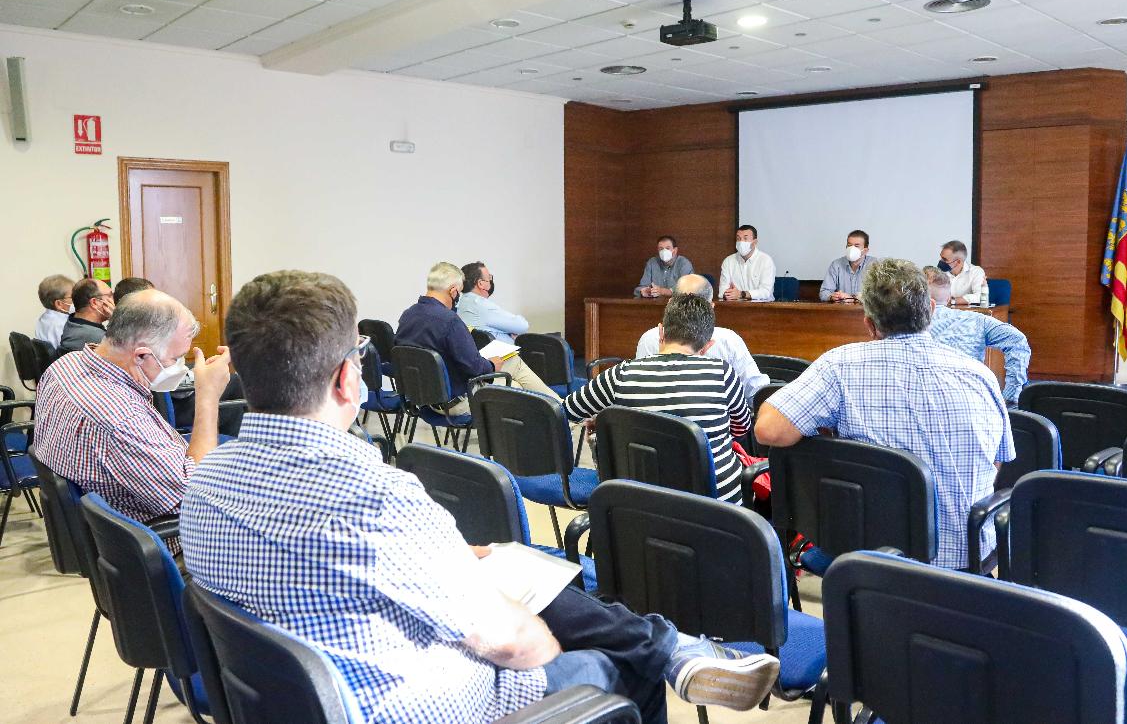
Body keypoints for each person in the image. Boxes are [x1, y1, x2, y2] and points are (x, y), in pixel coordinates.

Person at [181, 269, 780, 723]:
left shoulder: (204, 481)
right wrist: (534, 625)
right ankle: (668, 651)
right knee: (604, 659)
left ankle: (676, 647)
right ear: (347, 377)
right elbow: (514, 647)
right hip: (411, 708)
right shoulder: (381, 497)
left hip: (295, 699)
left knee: (503, 563)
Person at [755, 258, 1013, 571]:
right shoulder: (980, 374)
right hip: (964, 559)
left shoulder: (839, 366)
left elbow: (767, 430)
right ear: (932, 310)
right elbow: (996, 461)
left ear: (868, 323)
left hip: (872, 559)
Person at [33, 289, 233, 525]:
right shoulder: (121, 420)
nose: (181, 368)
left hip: (101, 530)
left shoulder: (64, 366)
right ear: (140, 356)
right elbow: (197, 496)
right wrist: (208, 397)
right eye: (176, 359)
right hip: (153, 543)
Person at [566, 294, 753, 505]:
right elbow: (741, 429)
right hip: (718, 511)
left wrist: (606, 421)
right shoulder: (723, 373)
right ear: (707, 346)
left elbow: (567, 411)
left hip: (639, 506)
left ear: (661, 332)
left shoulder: (620, 374)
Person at [396, 262, 557, 414]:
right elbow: (474, 368)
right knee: (516, 384)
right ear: (453, 291)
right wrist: (492, 365)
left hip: (425, 398)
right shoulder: (450, 320)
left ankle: (560, 409)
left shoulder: (408, 315)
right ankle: (562, 413)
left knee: (512, 366)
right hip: (456, 401)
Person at [636, 274, 770, 399]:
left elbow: (640, 394)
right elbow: (756, 393)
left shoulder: (648, 339)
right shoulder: (728, 340)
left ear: (670, 303)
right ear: (711, 307)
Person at [925, 267, 1031, 405]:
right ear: (948, 297)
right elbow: (1017, 341)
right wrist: (1011, 395)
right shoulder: (977, 320)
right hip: (974, 400)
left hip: (925, 400)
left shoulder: (905, 324)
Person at [456, 262, 530, 341]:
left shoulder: (461, 303)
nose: (491, 281)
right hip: (505, 352)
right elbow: (523, 326)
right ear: (480, 284)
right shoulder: (482, 306)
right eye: (489, 278)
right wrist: (509, 332)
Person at [57, 278, 114, 356]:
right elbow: (129, 354)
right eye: (110, 295)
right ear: (95, 303)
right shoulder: (96, 336)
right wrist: (116, 319)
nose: (113, 300)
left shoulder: (73, 322)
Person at [718, 225, 775, 302]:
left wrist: (741, 294)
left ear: (754, 242)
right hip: (734, 307)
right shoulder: (728, 261)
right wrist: (728, 294)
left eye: (745, 238)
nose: (741, 242)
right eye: (738, 239)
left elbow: (765, 292)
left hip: (762, 308)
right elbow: (722, 291)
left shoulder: (765, 261)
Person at [819, 229, 876, 303]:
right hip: (842, 311)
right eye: (849, 245)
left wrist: (853, 298)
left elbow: (880, 296)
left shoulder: (875, 265)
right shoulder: (836, 265)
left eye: (856, 246)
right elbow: (824, 292)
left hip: (867, 312)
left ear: (865, 250)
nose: (852, 249)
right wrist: (831, 296)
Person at [938, 240, 989, 305]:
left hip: (967, 313)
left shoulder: (976, 272)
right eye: (941, 257)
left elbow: (979, 297)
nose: (941, 261)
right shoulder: (939, 272)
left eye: (945, 259)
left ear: (958, 262)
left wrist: (952, 301)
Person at [34, 274, 74, 347]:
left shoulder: (43, 318)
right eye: (73, 296)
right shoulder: (62, 325)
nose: (77, 299)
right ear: (59, 304)